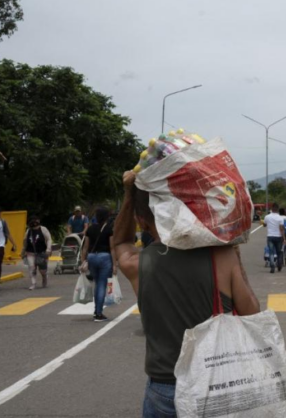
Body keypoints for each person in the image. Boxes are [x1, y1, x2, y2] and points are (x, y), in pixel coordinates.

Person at [112, 171, 260, 417]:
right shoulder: (222, 257)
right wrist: (235, 255)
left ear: (142, 221)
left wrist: (129, 193)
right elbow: (252, 313)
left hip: (164, 387)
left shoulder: (137, 263)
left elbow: (120, 241)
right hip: (216, 385)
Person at [81, 207, 116, 321]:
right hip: (104, 257)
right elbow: (112, 248)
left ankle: (97, 310)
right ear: (107, 217)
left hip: (92, 257)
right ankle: (98, 313)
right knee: (101, 285)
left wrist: (83, 262)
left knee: (97, 283)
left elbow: (85, 247)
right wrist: (115, 264)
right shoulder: (109, 229)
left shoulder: (90, 229)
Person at [22, 215, 53, 290]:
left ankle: (44, 277)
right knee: (31, 267)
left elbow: (49, 239)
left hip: (42, 252)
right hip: (30, 252)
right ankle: (33, 283)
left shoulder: (43, 229)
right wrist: (23, 251)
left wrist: (48, 249)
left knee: (42, 270)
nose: (34, 222)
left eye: (35, 220)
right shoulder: (28, 231)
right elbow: (25, 242)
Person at [263, 204, 286, 274]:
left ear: (271, 209)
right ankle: (279, 265)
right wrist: (284, 238)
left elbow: (264, 225)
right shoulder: (280, 218)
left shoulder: (267, 217)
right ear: (277, 209)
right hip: (278, 237)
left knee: (271, 252)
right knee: (279, 252)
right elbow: (281, 229)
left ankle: (272, 265)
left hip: (270, 236)